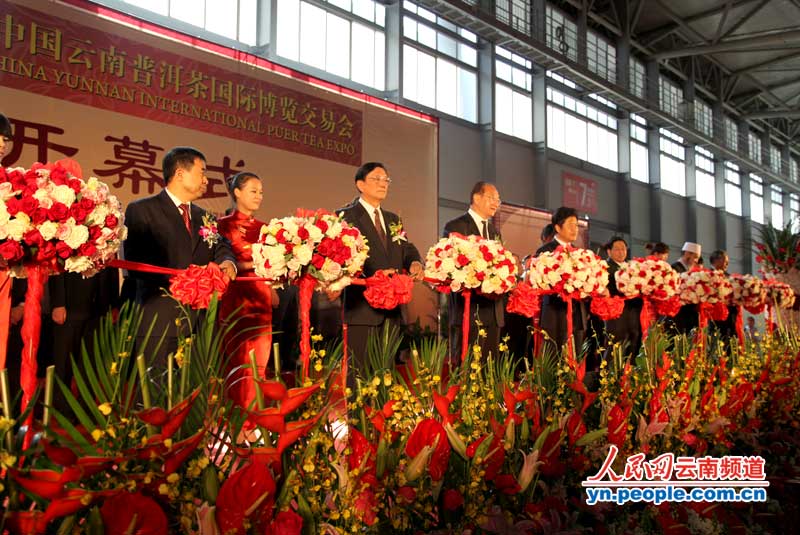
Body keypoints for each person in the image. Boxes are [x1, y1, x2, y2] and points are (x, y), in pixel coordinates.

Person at [122, 147, 237, 374]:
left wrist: (227, 262)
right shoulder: (142, 209)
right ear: (180, 174)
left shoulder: (205, 216)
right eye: (202, 172)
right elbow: (138, 261)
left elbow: (221, 245)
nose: (206, 180)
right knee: (156, 388)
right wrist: (190, 277)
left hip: (200, 322)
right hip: (160, 318)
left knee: (197, 388)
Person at [336, 162, 423, 379]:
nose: (383, 184)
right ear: (360, 184)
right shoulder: (345, 216)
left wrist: (414, 261)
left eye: (386, 180)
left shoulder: (393, 219)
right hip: (362, 306)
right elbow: (342, 255)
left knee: (386, 372)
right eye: (376, 179)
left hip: (391, 309)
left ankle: (384, 402)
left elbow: (406, 247)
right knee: (360, 372)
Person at [217, 172, 278, 411]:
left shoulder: (267, 229)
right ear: (237, 192)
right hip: (236, 297)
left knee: (260, 361)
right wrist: (255, 264)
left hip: (261, 297)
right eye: (253, 191)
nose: (259, 196)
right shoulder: (223, 225)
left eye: (261, 192)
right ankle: (238, 419)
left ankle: (256, 417)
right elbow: (223, 261)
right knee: (237, 360)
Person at [443, 181, 504, 361]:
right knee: (467, 365)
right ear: (476, 198)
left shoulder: (494, 231)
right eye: (492, 198)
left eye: (498, 200)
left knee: (490, 367)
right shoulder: (456, 226)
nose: (496, 203)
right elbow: (451, 264)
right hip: (469, 310)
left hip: (493, 311)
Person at [49, 270, 119, 413]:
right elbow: (56, 266)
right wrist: (58, 303)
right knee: (64, 362)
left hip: (99, 307)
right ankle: (63, 409)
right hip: (69, 306)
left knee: (91, 362)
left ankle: (86, 409)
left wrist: (113, 303)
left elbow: (111, 266)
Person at [534, 207, 587, 357]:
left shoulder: (579, 253)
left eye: (576, 225)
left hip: (576, 314)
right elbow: (538, 282)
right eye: (570, 225)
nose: (575, 229)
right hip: (554, 312)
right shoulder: (545, 251)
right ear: (558, 227)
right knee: (553, 356)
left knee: (575, 357)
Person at [604, 237, 642, 358]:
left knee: (633, 340)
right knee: (615, 344)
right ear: (609, 251)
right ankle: (609, 369)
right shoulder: (605, 267)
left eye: (623, 249)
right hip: (616, 312)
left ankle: (630, 368)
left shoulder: (632, 267)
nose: (621, 252)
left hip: (633, 310)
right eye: (617, 249)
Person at [671, 242, 702, 334]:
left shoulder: (691, 269)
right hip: (679, 312)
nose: (696, 260)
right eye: (695, 257)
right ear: (687, 254)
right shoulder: (675, 268)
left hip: (690, 312)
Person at [709, 249, 737, 341]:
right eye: (725, 261)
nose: (727, 264)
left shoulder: (729, 277)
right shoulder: (707, 275)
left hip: (730, 316)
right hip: (714, 316)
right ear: (716, 260)